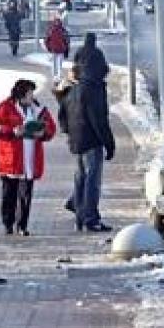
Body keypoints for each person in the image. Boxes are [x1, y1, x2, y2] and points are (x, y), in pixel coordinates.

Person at [0, 79, 56, 236]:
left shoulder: (39, 109)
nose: (32, 96)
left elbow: (51, 128)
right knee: (9, 193)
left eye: (32, 93)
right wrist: (12, 131)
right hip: (11, 159)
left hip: (30, 158)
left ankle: (22, 225)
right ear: (21, 95)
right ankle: (8, 223)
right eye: (30, 93)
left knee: (26, 194)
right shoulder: (5, 107)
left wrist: (43, 133)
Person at [56, 63, 115, 232]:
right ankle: (90, 218)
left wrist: (70, 134)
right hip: (91, 141)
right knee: (92, 181)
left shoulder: (73, 90)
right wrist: (109, 143)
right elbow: (99, 120)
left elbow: (63, 116)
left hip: (77, 141)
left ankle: (79, 212)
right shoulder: (92, 90)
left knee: (81, 178)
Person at [43, 15, 71, 82]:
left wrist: (48, 47)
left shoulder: (51, 29)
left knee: (54, 63)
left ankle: (55, 76)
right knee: (59, 63)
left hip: (53, 49)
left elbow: (46, 39)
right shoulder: (63, 30)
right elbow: (67, 40)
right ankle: (58, 76)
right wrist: (66, 48)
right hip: (61, 49)